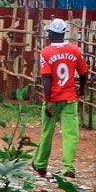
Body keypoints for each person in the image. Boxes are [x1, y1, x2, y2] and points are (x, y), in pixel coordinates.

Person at [35, 17, 90, 178]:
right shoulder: (75, 50)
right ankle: (68, 167)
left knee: (47, 132)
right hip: (69, 98)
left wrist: (49, 101)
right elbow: (83, 73)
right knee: (71, 134)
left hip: (52, 98)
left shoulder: (46, 52)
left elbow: (46, 77)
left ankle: (40, 164)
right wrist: (82, 89)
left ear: (52, 34)